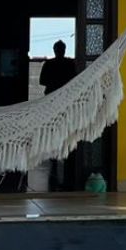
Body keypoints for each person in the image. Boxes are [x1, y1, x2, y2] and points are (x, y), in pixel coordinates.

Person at [38, 40, 77, 191]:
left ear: (55, 50)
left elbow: (42, 81)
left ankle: (56, 158)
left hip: (54, 99)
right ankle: (64, 156)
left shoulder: (50, 64)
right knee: (65, 129)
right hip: (64, 100)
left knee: (54, 130)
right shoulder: (70, 64)